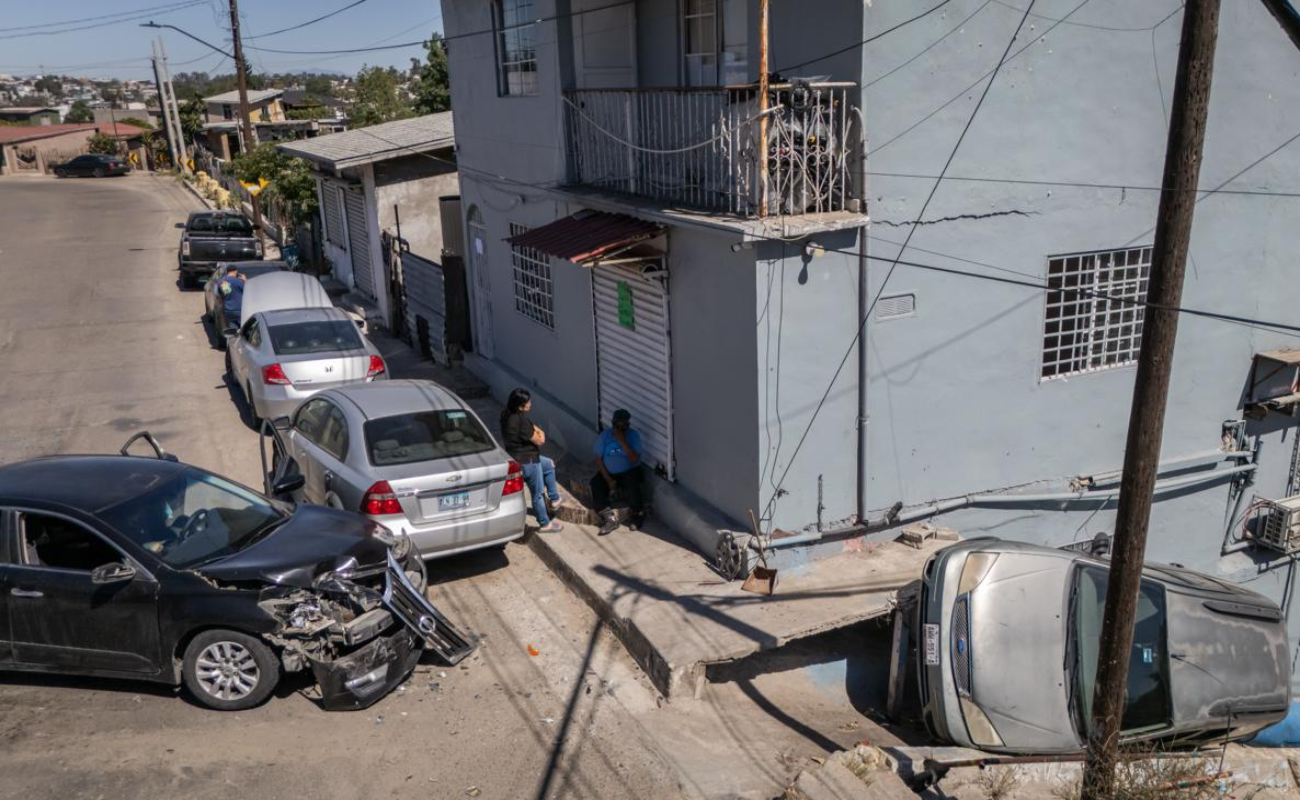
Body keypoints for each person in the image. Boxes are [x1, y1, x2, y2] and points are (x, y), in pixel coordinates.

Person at [500, 388, 563, 532]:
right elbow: (540, 440)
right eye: (528, 402)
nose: (531, 404)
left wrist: (533, 428)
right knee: (538, 494)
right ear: (520, 405)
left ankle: (554, 499)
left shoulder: (507, 414)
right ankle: (545, 524)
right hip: (528, 461)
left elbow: (529, 426)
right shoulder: (520, 421)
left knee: (548, 464)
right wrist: (540, 432)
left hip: (516, 456)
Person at [590, 409, 647, 535]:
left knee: (633, 482)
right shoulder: (606, 436)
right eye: (618, 424)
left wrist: (622, 441)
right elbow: (598, 459)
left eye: (623, 424)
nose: (620, 427)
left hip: (629, 471)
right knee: (595, 483)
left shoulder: (633, 436)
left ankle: (638, 513)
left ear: (628, 425)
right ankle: (609, 517)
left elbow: (634, 459)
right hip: (611, 473)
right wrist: (608, 480)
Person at [216, 264, 246, 331]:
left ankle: (232, 340)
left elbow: (227, 293)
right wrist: (244, 281)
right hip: (240, 310)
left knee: (233, 330)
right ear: (236, 271)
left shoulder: (222, 282)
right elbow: (248, 292)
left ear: (227, 271)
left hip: (228, 310)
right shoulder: (239, 281)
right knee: (244, 330)